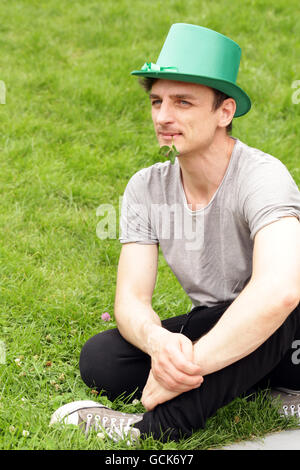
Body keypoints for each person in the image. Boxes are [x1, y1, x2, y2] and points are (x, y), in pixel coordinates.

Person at [50, 23, 300, 444]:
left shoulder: (263, 177)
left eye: (183, 102)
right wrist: (161, 344)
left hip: (291, 331)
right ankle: (267, 391)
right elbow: (131, 301)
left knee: (273, 309)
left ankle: (152, 431)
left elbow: (281, 292)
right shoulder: (146, 188)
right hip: (226, 321)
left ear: (225, 112)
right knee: (104, 359)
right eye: (157, 101)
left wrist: (183, 374)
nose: (163, 116)